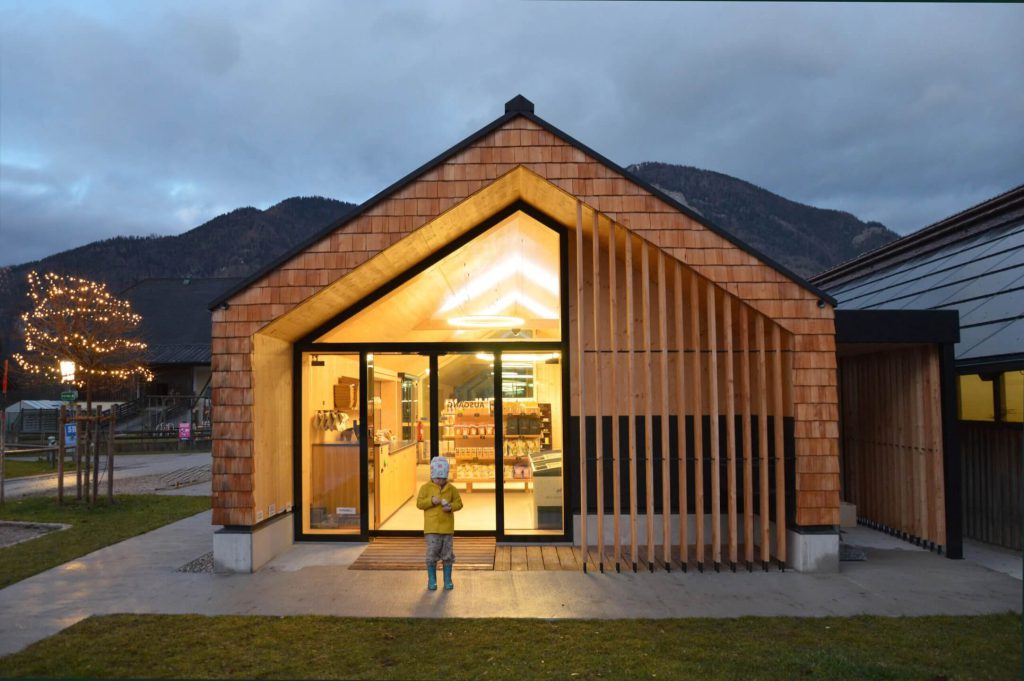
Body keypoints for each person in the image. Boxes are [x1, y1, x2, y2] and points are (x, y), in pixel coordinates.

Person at [416, 456, 463, 591]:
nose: (440, 482)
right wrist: (431, 501)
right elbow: (419, 504)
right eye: (437, 478)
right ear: (432, 476)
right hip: (431, 529)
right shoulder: (425, 488)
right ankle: (432, 580)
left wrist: (451, 507)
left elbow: (459, 503)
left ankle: (447, 580)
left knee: (447, 554)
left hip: (447, 529)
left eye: (443, 479)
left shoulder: (452, 489)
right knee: (432, 554)